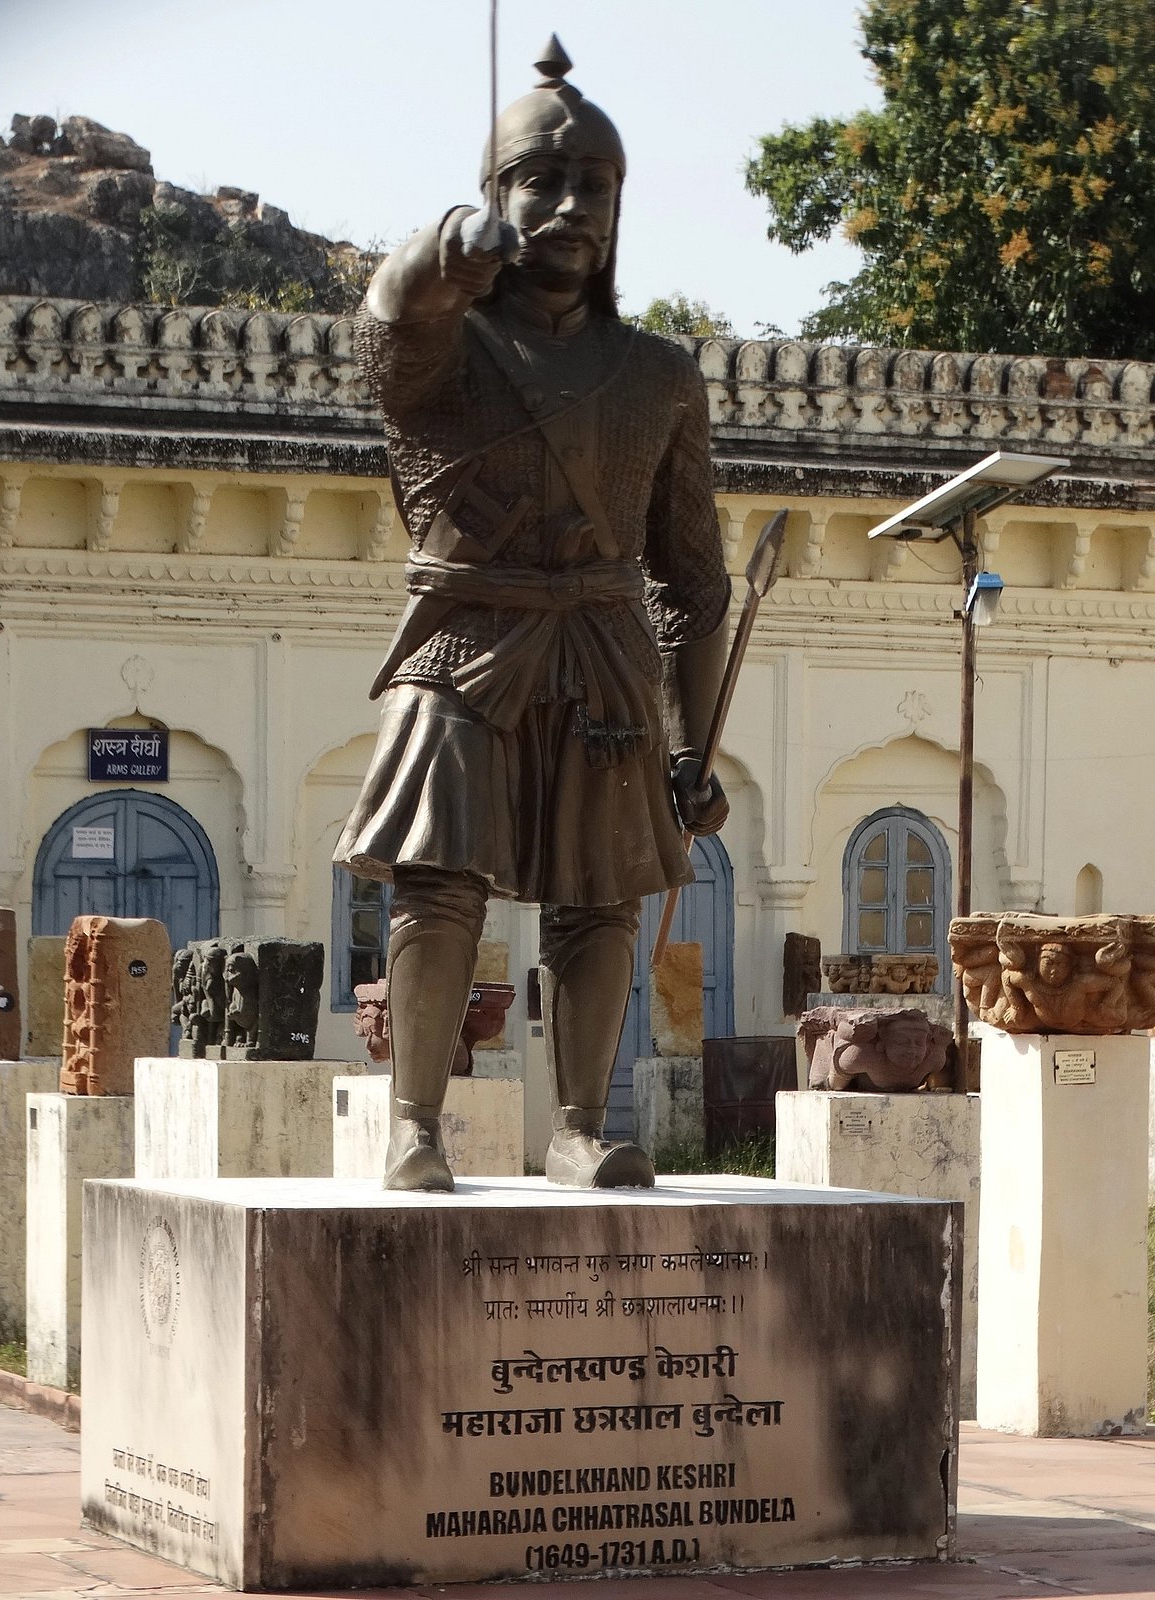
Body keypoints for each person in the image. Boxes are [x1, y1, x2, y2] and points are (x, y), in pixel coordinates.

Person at [334, 38, 731, 1191]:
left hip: (602, 655)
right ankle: (415, 1125)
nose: (568, 204)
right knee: (438, 881)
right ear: (497, 190)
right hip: (464, 641)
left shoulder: (661, 375)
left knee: (598, 901)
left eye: (591, 185)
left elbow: (694, 580)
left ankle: (578, 1126)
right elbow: (388, 313)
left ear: (620, 207)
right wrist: (447, 248)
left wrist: (696, 741)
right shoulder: (446, 353)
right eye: (537, 181)